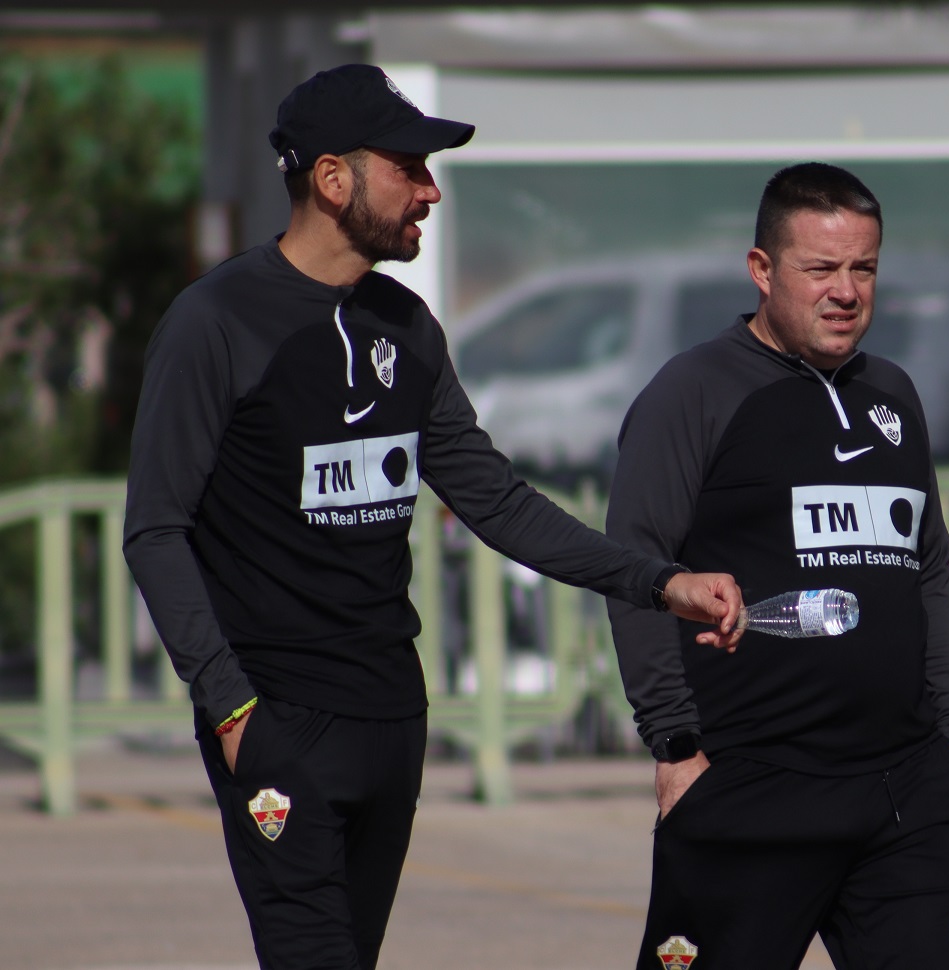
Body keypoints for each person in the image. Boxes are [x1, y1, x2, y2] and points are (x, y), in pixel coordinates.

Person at [122, 64, 743, 970]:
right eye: (408, 166)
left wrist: (660, 582)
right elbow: (155, 529)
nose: (430, 190)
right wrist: (230, 710)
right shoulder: (213, 322)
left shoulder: (405, 325)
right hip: (276, 721)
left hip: (391, 720)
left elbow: (494, 501)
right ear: (333, 180)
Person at [605, 162, 949, 969]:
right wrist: (675, 747)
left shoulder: (894, 393)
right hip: (751, 787)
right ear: (762, 270)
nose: (845, 291)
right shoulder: (695, 391)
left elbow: (929, 569)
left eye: (863, 268)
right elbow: (636, 570)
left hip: (907, 793)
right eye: (820, 269)